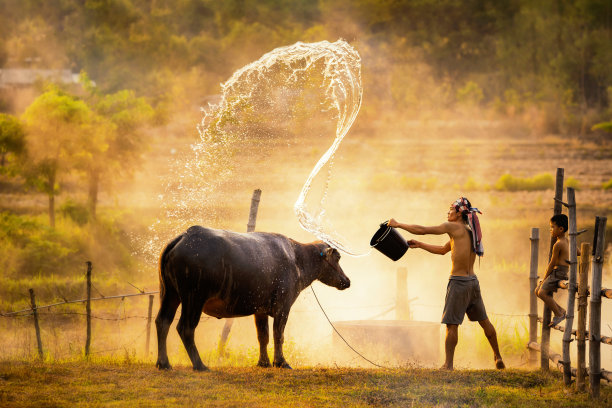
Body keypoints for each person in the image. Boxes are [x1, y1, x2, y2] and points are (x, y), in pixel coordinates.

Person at [388, 197, 504, 370]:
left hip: (458, 283)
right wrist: (419, 245)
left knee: (451, 325)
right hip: (473, 282)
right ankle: (497, 356)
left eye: (450, 209)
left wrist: (398, 225)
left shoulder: (452, 227)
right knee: (484, 321)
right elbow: (443, 250)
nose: (447, 212)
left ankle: (448, 365)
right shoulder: (469, 230)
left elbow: (423, 229)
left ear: (458, 213)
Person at [535, 214, 573, 327]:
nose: (550, 230)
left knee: (541, 292)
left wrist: (544, 278)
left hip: (558, 272)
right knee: (537, 291)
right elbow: (579, 252)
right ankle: (561, 310)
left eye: (552, 227)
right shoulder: (567, 241)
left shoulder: (558, 244)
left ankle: (558, 314)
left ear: (561, 229)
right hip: (562, 271)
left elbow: (551, 264)